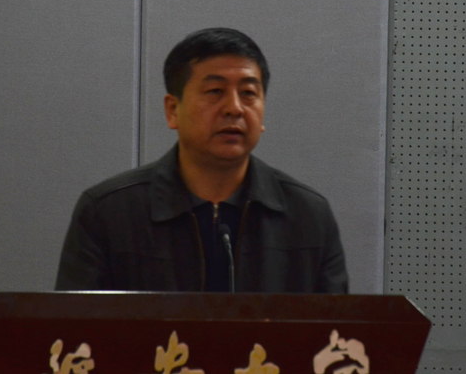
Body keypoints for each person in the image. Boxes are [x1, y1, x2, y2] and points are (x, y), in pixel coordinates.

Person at [55, 28, 348, 293]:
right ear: (173, 110)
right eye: (215, 92)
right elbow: (77, 329)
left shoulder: (308, 216)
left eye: (248, 93)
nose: (234, 108)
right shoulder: (108, 214)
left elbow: (335, 330)